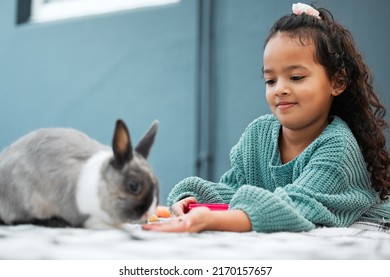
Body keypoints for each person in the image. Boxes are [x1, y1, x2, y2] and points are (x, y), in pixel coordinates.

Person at [142, 2, 390, 233]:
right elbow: (233, 190)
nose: (279, 89)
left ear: (337, 82)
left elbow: (298, 207)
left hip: (373, 225)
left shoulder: (337, 146)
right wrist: (193, 200)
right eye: (271, 80)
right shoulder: (258, 135)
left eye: (296, 78)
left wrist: (212, 219)